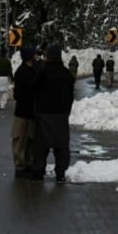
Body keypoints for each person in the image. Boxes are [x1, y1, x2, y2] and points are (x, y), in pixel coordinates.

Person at [29, 44, 75, 183]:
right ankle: (60, 173)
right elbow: (70, 95)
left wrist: (36, 110)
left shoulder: (44, 72)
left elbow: (34, 89)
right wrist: (66, 111)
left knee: (41, 146)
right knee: (61, 146)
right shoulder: (66, 73)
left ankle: (38, 172)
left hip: (45, 113)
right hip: (61, 115)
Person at [11, 46, 37, 178]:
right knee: (20, 139)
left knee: (30, 139)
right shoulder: (22, 72)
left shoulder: (34, 70)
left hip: (30, 111)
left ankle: (27, 163)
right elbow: (18, 94)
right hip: (23, 111)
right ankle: (20, 166)